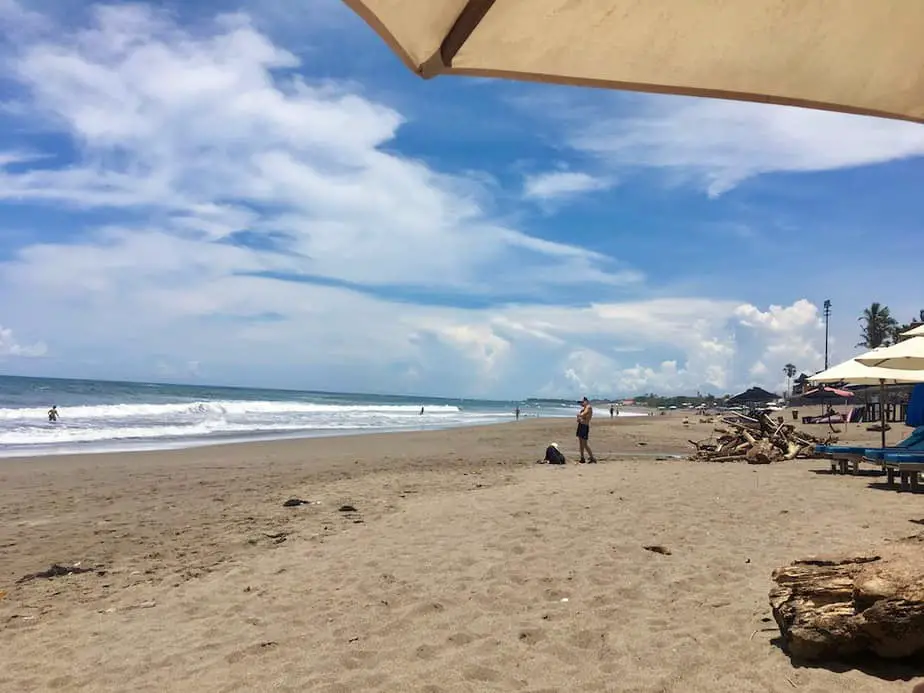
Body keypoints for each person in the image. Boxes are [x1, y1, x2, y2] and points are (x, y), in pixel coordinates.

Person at [575, 397, 597, 464]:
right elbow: (579, 419)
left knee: (585, 444)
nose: (581, 404)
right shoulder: (583, 409)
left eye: (582, 402)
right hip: (581, 426)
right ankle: (582, 458)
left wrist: (580, 416)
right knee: (581, 443)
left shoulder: (588, 407)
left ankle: (592, 458)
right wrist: (579, 418)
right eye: (580, 403)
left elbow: (584, 414)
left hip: (584, 427)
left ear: (586, 401)